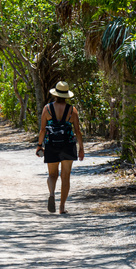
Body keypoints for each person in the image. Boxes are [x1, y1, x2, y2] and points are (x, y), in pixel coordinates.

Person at [36, 81, 85, 214]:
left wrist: (39, 146)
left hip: (52, 144)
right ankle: (62, 207)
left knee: (52, 175)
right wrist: (81, 148)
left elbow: (42, 130)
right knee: (65, 176)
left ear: (55, 94)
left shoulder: (47, 109)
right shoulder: (72, 110)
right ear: (67, 96)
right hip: (68, 145)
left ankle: (52, 194)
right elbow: (77, 131)